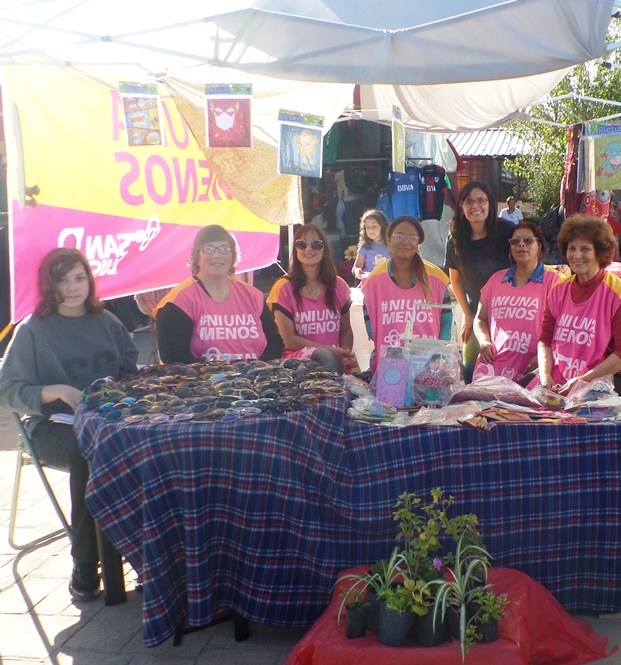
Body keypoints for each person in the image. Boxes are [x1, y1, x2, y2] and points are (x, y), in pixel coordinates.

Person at [0, 248, 139, 601]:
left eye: (79, 278)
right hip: (50, 426)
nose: (73, 287)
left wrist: (117, 389)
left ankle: (145, 555)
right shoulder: (32, 330)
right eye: (63, 279)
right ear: (50, 284)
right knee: (88, 453)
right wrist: (56, 390)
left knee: (148, 445)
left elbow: (129, 367)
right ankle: (87, 562)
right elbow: (6, 389)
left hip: (106, 420)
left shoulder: (107, 321)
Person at [537, 214, 621, 399]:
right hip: (563, 376)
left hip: (610, 378)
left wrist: (583, 381)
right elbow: (545, 340)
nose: (576, 255)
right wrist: (546, 376)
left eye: (585, 249)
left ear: (599, 252)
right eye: (572, 248)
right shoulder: (558, 289)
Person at [154, 224, 284, 363]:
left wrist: (255, 370)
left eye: (224, 249)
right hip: (202, 382)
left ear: (233, 256)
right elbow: (174, 357)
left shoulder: (252, 296)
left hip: (252, 380)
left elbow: (275, 343)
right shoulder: (179, 301)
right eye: (209, 249)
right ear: (197, 256)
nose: (217, 255)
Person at [362, 216, 452, 374]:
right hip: (390, 366)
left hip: (428, 366)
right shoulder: (374, 281)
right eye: (399, 236)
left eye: (412, 237)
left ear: (419, 242)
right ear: (389, 239)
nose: (405, 241)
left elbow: (446, 319)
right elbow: (368, 320)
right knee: (391, 399)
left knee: (428, 399)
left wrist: (439, 351)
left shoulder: (436, 278)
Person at [472, 221, 559, 384]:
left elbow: (563, 328)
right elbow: (479, 318)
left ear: (539, 246)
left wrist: (545, 356)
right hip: (492, 366)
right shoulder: (496, 280)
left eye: (528, 240)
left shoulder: (554, 282)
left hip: (533, 369)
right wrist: (484, 341)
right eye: (515, 241)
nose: (521, 245)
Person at [445, 181, 515, 382]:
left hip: (511, 312)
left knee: (508, 370)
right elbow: (455, 278)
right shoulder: (456, 238)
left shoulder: (507, 231)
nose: (475, 206)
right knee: (471, 369)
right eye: (469, 202)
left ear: (490, 204)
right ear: (462, 207)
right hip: (477, 314)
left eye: (481, 200)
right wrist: (467, 314)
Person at [266, 224, 358, 374]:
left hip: (334, 363)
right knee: (325, 356)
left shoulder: (338, 285)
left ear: (324, 249)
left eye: (316, 244)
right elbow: (289, 339)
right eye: (301, 244)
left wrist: (345, 353)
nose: (308, 249)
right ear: (295, 250)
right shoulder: (283, 287)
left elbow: (346, 330)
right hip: (298, 365)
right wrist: (330, 351)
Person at [350, 209, 390, 282]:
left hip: (387, 283)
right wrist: (357, 271)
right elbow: (356, 267)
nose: (370, 230)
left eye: (374, 226)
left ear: (383, 226)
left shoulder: (392, 245)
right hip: (369, 283)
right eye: (367, 227)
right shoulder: (365, 246)